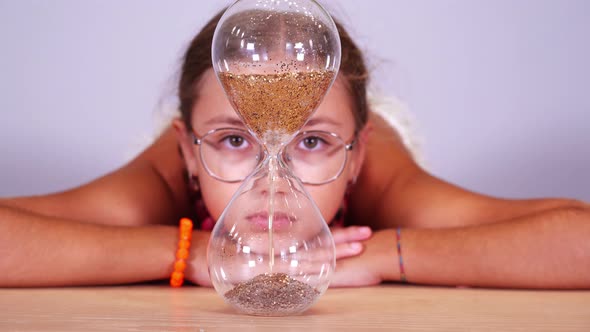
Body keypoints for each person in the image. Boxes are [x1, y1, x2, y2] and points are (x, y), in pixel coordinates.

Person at [0, 7, 588, 289]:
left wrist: (385, 255)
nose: (271, 181)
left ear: (356, 155)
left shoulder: (379, 175)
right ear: (186, 150)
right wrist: (190, 253)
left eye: (309, 141)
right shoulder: (166, 178)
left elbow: (577, 238)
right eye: (235, 140)